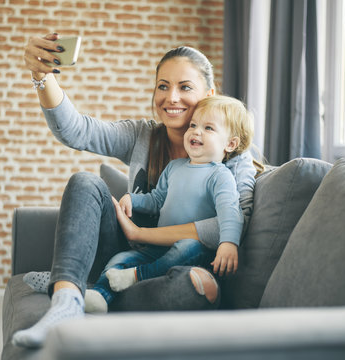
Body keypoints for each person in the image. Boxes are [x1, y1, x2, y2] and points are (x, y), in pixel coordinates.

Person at [13, 32, 263, 348]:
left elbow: (228, 224)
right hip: (127, 253)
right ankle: (66, 303)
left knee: (196, 288)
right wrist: (42, 76)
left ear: (209, 94)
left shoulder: (232, 154)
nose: (171, 97)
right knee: (84, 182)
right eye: (163, 86)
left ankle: (90, 287)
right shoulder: (142, 136)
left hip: (180, 262)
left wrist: (142, 234)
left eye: (185, 87)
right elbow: (75, 130)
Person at [98, 95, 254, 307]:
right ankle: (99, 295)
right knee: (120, 260)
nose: (196, 131)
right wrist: (132, 200)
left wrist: (228, 243)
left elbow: (230, 212)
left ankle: (138, 276)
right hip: (157, 246)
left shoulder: (220, 175)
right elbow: (157, 200)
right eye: (193, 125)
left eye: (208, 128)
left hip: (194, 251)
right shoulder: (174, 167)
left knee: (186, 248)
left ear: (230, 144)